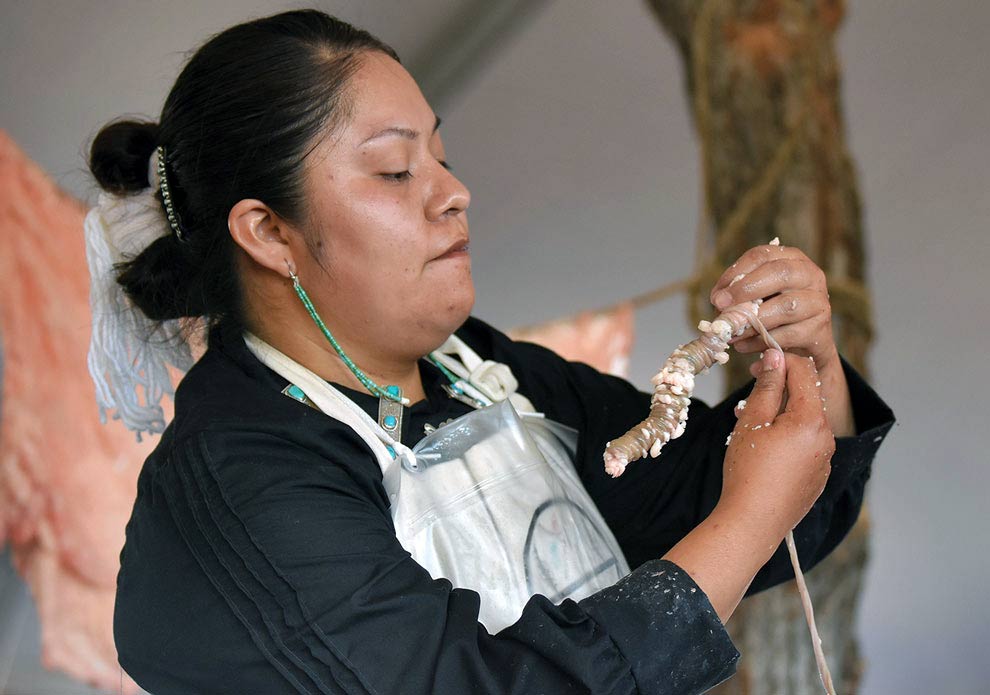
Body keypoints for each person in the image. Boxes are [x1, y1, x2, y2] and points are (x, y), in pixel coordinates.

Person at [85, 10, 894, 695]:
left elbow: (717, 504)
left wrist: (809, 364)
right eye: (397, 170)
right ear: (268, 232)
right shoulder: (239, 480)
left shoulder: (475, 371)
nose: (452, 192)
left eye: (440, 155)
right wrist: (749, 516)